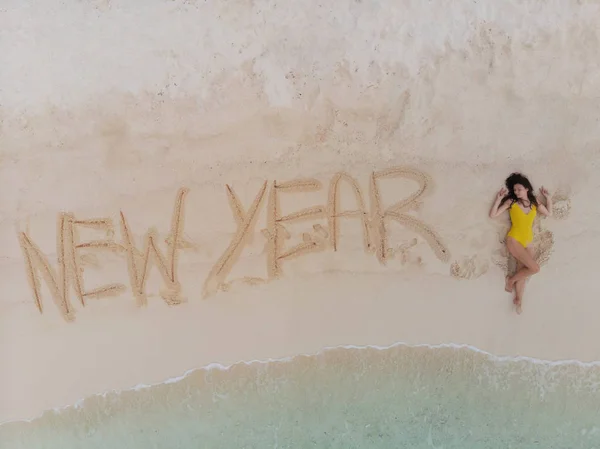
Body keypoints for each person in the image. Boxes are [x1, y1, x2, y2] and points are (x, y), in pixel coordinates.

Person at [489, 173, 553, 313]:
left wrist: (548, 198)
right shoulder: (511, 202)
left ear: (527, 189)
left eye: (519, 189)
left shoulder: (535, 202)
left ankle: (519, 300)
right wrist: (498, 199)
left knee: (522, 271)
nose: (516, 192)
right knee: (535, 268)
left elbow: (548, 213)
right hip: (514, 239)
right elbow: (493, 215)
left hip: (528, 241)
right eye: (515, 190)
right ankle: (511, 281)